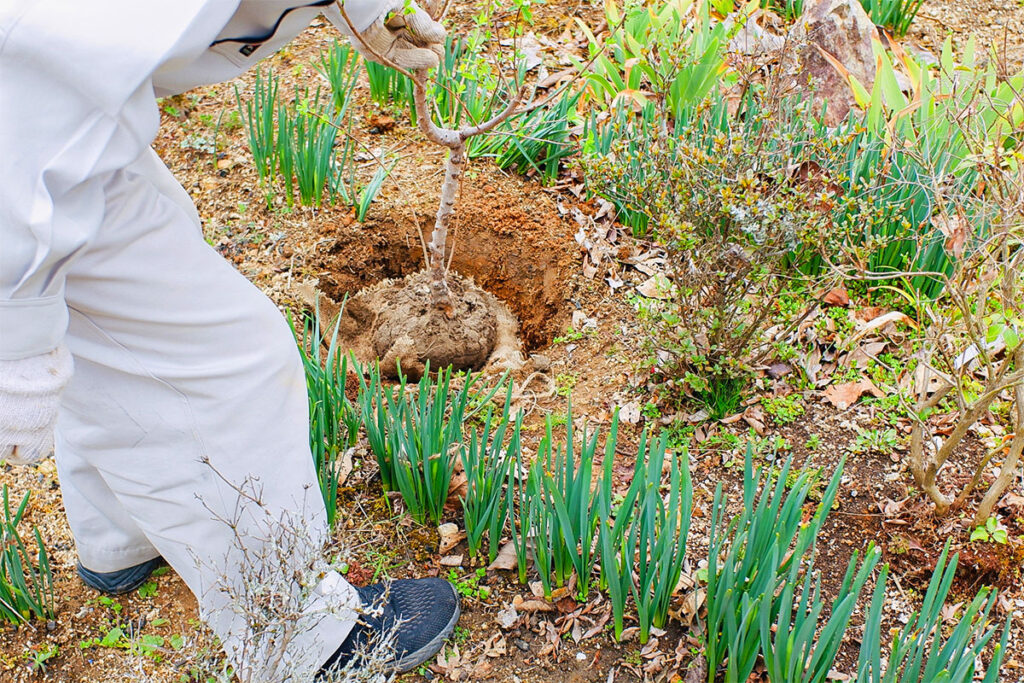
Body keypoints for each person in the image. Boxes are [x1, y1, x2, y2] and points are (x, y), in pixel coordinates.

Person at [0, 1, 459, 678]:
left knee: (110, 317)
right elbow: (22, 114)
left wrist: (363, 11)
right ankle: (299, 640)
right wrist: (15, 325)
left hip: (63, 112)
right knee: (238, 365)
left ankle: (123, 535)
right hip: (19, 136)